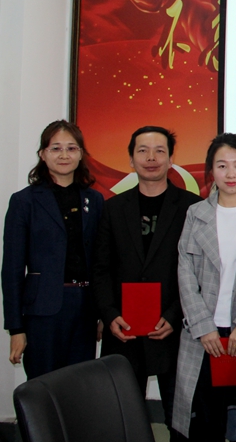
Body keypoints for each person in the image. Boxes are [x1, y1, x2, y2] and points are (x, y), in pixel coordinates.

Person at [91, 126, 203, 437]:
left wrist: (174, 314)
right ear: (131, 159)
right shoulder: (112, 208)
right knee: (122, 420)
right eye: (142, 151)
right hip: (123, 329)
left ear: (171, 159)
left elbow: (200, 270)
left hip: (173, 328)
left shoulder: (192, 207)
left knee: (179, 419)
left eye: (159, 151)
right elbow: (100, 268)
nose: (151, 158)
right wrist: (109, 315)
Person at [173, 134, 236, 442]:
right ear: (211, 171)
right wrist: (202, 326)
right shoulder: (196, 214)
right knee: (204, 422)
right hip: (204, 335)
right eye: (222, 166)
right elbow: (185, 272)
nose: (231, 174)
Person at [1, 119, 104, 379]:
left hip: (85, 308)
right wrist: (16, 328)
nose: (64, 155)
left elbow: (102, 261)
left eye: (71, 148)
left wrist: (103, 312)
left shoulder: (94, 200)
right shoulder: (24, 201)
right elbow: (12, 269)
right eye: (56, 148)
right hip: (42, 310)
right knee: (43, 386)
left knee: (80, 385)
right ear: (42, 154)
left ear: (81, 154)